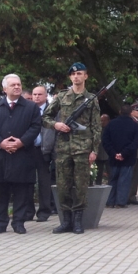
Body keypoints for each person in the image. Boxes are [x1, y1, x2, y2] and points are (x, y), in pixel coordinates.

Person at [42, 63, 101, 234]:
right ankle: (66, 220)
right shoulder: (61, 97)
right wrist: (57, 125)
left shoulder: (91, 98)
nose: (76, 76)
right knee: (63, 185)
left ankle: (78, 221)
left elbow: (96, 126)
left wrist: (94, 150)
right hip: (63, 147)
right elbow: (45, 117)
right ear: (70, 77)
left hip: (83, 148)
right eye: (73, 74)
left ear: (85, 76)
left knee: (81, 186)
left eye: (79, 73)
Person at [0, 74, 42, 234]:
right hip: (0, 155)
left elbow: (35, 126)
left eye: (19, 84)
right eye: (13, 85)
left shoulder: (31, 107)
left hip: (22, 154)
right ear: (4, 89)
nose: (17, 87)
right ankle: (0, 223)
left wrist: (21, 142)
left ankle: (19, 223)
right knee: (0, 191)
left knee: (21, 191)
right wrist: (1, 142)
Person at [102, 105, 138, 208]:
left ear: (120, 111)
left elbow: (105, 140)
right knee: (124, 180)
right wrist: (124, 153)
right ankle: (120, 202)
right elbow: (136, 142)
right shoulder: (134, 125)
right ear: (130, 113)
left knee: (112, 179)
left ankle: (110, 201)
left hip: (113, 157)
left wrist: (114, 153)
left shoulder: (111, 124)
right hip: (128, 157)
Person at [31, 85, 56, 221]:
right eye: (34, 94)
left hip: (45, 149)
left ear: (46, 96)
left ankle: (44, 211)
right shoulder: (28, 110)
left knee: (44, 182)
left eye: (40, 94)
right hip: (29, 149)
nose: (36, 97)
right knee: (27, 181)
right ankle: (28, 211)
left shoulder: (53, 111)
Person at [95, 114, 110, 185]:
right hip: (99, 153)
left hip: (109, 154)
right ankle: (98, 184)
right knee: (99, 172)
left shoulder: (111, 129)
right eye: (101, 120)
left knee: (110, 172)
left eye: (104, 120)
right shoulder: (97, 130)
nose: (102, 122)